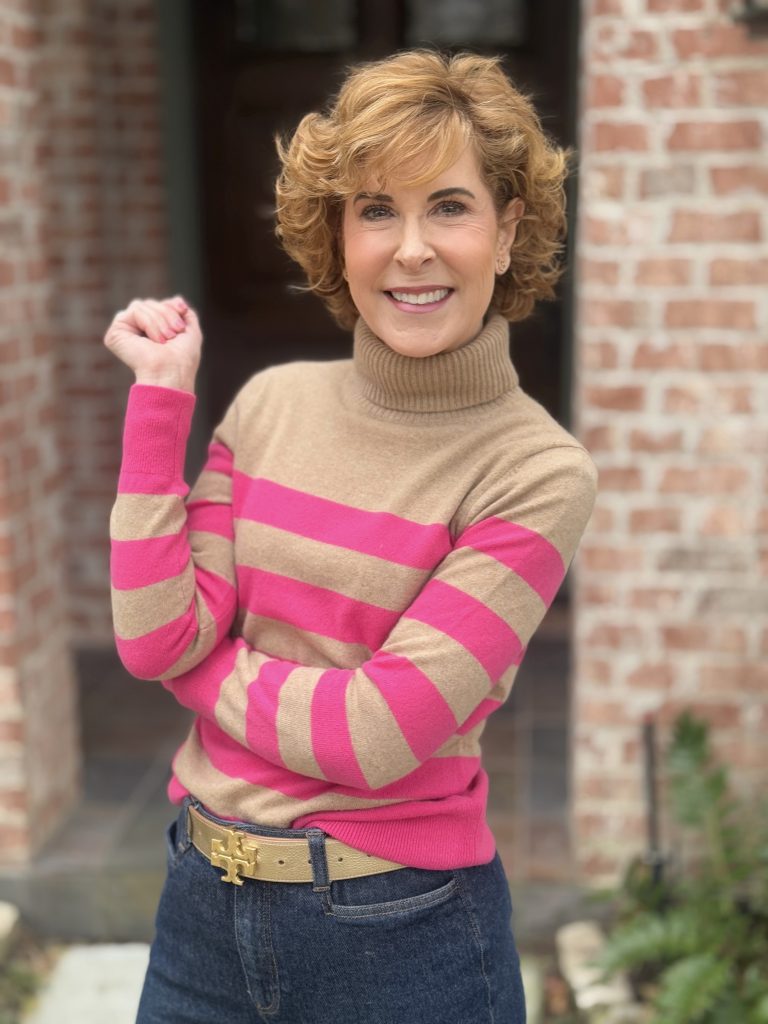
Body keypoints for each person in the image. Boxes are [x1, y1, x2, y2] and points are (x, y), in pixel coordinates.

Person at [105, 49, 597, 1024]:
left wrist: (200, 674)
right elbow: (152, 630)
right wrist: (162, 402)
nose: (411, 247)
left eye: (449, 206)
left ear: (509, 233)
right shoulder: (267, 404)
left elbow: (374, 734)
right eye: (377, 209)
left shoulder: (537, 472)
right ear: (338, 237)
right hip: (200, 904)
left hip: (402, 936)